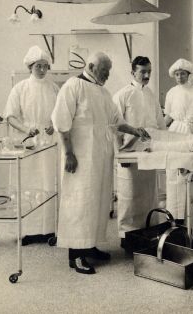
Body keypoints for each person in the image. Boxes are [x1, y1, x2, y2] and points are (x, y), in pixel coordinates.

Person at [51, 52, 149, 274]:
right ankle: (76, 255)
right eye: (105, 71)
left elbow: (116, 120)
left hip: (100, 158)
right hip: (80, 158)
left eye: (109, 71)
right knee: (80, 203)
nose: (107, 75)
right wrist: (68, 154)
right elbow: (61, 123)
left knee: (97, 202)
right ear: (92, 66)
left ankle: (90, 246)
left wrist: (135, 130)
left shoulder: (103, 92)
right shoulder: (73, 86)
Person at [4, 46, 59, 246]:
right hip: (28, 144)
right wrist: (26, 130)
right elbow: (10, 116)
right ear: (30, 67)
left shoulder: (54, 88)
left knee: (48, 184)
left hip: (49, 143)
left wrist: (54, 125)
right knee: (27, 185)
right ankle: (27, 230)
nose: (42, 70)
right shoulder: (20, 88)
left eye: (45, 66)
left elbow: (59, 113)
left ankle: (48, 229)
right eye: (38, 66)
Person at [113, 56, 166, 244]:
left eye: (149, 71)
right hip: (129, 152)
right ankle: (126, 236)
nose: (146, 75)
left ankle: (148, 233)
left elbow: (159, 124)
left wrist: (160, 147)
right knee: (129, 195)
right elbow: (115, 125)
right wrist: (119, 154)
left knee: (149, 195)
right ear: (132, 72)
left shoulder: (151, 94)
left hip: (149, 152)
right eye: (142, 71)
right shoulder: (122, 95)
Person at [163, 58, 193, 219]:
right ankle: (173, 215)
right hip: (174, 131)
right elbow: (168, 116)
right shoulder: (172, 92)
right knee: (173, 171)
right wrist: (159, 131)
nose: (180, 77)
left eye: (183, 74)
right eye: (177, 74)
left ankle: (190, 216)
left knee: (189, 169)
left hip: (192, 130)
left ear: (189, 74)